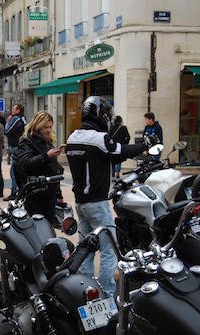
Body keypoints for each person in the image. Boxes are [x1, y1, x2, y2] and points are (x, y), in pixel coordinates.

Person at [66, 96, 153, 297]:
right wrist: (145, 145)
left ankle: (84, 290)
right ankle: (105, 293)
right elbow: (121, 152)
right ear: (101, 115)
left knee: (86, 248)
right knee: (109, 250)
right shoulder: (97, 138)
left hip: (81, 202)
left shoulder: (73, 137)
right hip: (96, 203)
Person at [15, 111, 64, 222]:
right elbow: (25, 163)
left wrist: (58, 194)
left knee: (49, 227)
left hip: (49, 192)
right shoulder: (27, 142)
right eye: (45, 127)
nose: (48, 130)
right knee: (37, 227)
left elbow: (54, 169)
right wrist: (46, 156)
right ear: (37, 125)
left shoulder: (47, 141)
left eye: (50, 127)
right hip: (35, 193)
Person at [4, 104, 27, 201]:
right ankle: (20, 190)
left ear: (17, 110)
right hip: (20, 146)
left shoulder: (15, 119)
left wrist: (7, 122)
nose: (12, 110)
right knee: (17, 170)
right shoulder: (23, 118)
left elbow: (8, 131)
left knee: (14, 171)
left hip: (16, 147)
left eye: (13, 108)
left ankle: (15, 192)